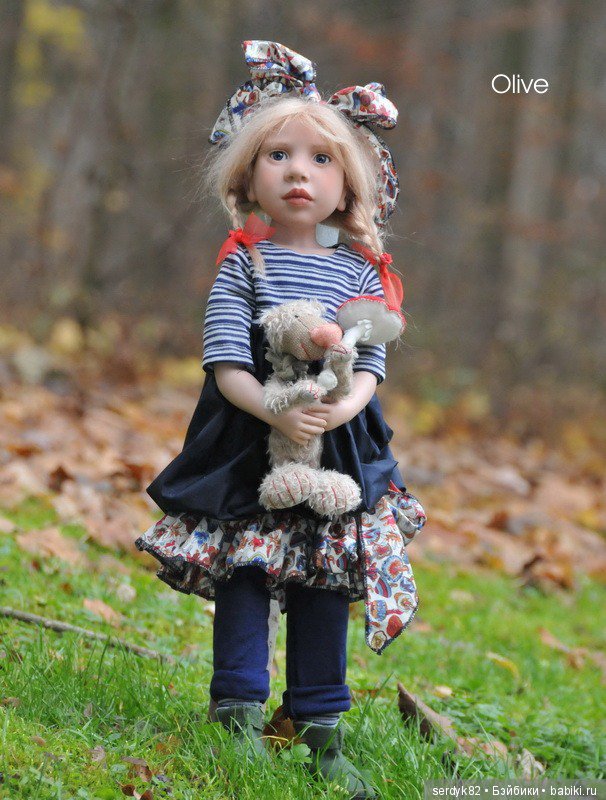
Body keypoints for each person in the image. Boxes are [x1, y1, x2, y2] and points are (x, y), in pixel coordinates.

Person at [135, 40, 426, 800]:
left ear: (349, 184)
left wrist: (343, 406)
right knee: (247, 565)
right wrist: (272, 407)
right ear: (248, 176)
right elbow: (224, 358)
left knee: (325, 575)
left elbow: (371, 363)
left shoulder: (361, 272)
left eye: (322, 160)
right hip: (249, 442)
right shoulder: (245, 263)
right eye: (279, 156)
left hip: (338, 445)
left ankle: (318, 723)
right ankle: (236, 710)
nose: (300, 172)